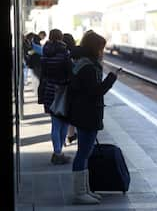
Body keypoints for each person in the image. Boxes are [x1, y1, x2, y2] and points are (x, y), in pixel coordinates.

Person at [68, 30, 118, 205]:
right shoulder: (88, 67)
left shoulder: (84, 64)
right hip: (87, 114)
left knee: (85, 152)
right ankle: (80, 192)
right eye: (100, 48)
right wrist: (111, 79)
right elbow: (94, 92)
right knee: (83, 153)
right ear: (93, 48)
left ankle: (85, 189)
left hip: (85, 113)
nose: (102, 52)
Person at [41, 29, 72, 165]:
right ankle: (58, 153)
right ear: (61, 38)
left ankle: (57, 152)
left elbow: (43, 72)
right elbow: (69, 72)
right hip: (63, 91)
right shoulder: (65, 53)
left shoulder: (45, 52)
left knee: (55, 123)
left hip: (49, 89)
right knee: (64, 122)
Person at [62, 33, 77, 144]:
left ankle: (63, 139)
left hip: (60, 87)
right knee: (71, 113)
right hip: (72, 87)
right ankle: (70, 135)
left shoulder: (60, 53)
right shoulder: (75, 53)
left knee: (61, 114)